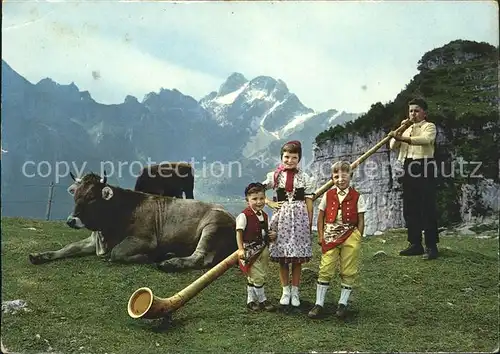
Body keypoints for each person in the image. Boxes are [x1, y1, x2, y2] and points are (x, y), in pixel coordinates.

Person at [308, 161, 366, 319]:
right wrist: (321, 235)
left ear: (350, 176)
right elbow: (321, 217)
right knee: (326, 268)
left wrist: (358, 236)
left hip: (350, 235)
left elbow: (361, 219)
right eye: (336, 176)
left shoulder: (357, 196)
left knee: (348, 269)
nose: (341, 179)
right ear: (332, 179)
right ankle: (319, 304)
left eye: (344, 175)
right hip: (330, 235)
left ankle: (342, 304)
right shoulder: (328, 195)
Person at [261, 140, 314, 308]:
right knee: (284, 258)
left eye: (294, 157)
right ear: (281, 157)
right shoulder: (275, 176)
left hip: (299, 219)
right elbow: (258, 190)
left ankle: (295, 291)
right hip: (282, 218)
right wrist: (268, 202)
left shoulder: (305, 178)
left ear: (299, 158)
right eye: (286, 157)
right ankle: (285, 291)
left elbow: (309, 202)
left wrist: (309, 222)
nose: (290, 160)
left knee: (297, 259)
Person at [389, 97, 439, 260]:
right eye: (411, 111)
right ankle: (415, 244)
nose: (413, 114)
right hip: (408, 166)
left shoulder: (429, 126)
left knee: (427, 207)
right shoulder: (405, 128)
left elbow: (426, 140)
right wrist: (400, 129)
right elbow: (392, 145)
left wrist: (404, 138)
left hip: (425, 165)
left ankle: (431, 247)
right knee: (410, 206)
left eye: (416, 110)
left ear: (424, 113)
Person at [235, 182, 276, 312]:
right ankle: (263, 299)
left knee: (258, 275)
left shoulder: (264, 215)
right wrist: (241, 249)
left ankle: (250, 301)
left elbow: (263, 232)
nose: (259, 202)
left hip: (263, 248)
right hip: (249, 250)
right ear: (247, 200)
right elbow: (239, 232)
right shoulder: (244, 216)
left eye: (261, 198)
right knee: (257, 276)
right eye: (254, 199)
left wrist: (271, 234)